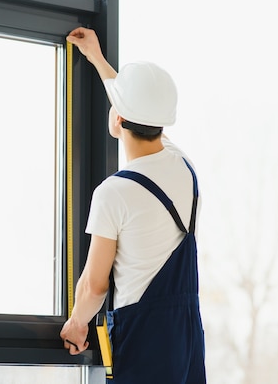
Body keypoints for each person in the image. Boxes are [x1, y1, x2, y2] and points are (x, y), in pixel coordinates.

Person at [60, 27, 206, 383]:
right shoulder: (183, 165)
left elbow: (94, 285)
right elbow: (142, 110)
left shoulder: (114, 193)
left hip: (144, 341)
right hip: (187, 338)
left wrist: (77, 324)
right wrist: (97, 58)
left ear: (118, 118)